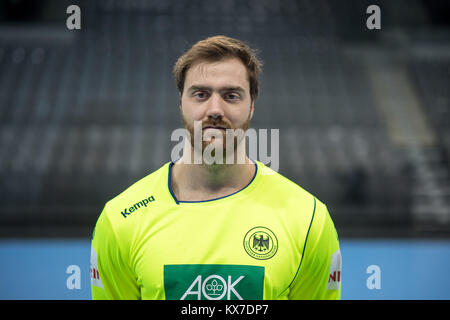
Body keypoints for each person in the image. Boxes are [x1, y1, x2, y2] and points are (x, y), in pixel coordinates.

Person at [90, 35, 342, 300]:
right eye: (200, 94)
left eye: (231, 95)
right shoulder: (120, 219)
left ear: (252, 106)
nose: (215, 109)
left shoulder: (308, 218)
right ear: (180, 103)